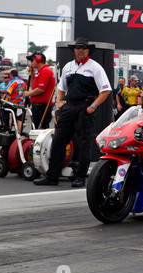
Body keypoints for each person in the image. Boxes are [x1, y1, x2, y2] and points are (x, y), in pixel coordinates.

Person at [33, 36, 111, 187]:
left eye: (83, 48)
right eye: (78, 47)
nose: (81, 50)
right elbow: (61, 87)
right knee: (57, 141)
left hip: (85, 107)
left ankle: (80, 177)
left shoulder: (95, 67)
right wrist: (59, 102)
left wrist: (92, 107)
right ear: (74, 50)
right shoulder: (68, 67)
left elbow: (106, 90)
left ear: (88, 50)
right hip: (69, 107)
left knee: (84, 144)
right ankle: (52, 177)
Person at [23, 51, 56, 129]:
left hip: (42, 106)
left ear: (38, 59)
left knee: (40, 129)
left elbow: (41, 89)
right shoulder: (40, 72)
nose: (31, 63)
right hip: (38, 105)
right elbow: (33, 86)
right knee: (35, 128)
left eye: (32, 60)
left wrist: (29, 93)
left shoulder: (45, 71)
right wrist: (32, 72)